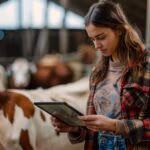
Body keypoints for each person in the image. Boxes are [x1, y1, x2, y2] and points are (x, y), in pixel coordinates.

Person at [51, 0, 150, 149]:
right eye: (92, 39)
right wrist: (76, 128)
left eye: (101, 37)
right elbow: (94, 129)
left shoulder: (146, 67)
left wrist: (116, 126)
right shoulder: (98, 72)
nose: (96, 45)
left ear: (120, 30)